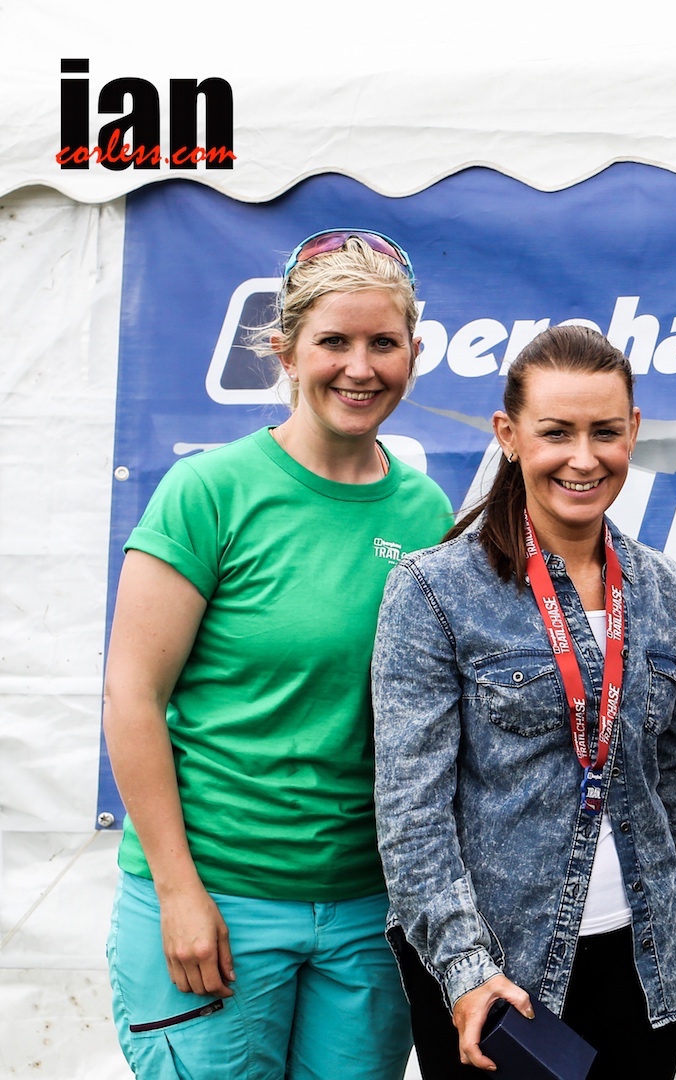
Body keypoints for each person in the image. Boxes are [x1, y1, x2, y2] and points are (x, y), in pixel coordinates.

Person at [100, 230, 449, 1078]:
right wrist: (179, 893)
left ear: (412, 353)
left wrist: (637, 625)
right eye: (334, 341)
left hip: (368, 914)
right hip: (217, 898)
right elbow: (132, 697)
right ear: (285, 351)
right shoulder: (209, 492)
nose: (360, 367)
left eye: (384, 343)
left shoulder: (426, 512)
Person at [372, 325, 676, 1079]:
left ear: (633, 431)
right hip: (498, 979)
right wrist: (465, 970)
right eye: (556, 432)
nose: (583, 458)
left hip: (646, 967)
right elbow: (411, 813)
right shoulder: (434, 589)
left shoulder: (665, 590)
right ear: (509, 435)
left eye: (605, 432)